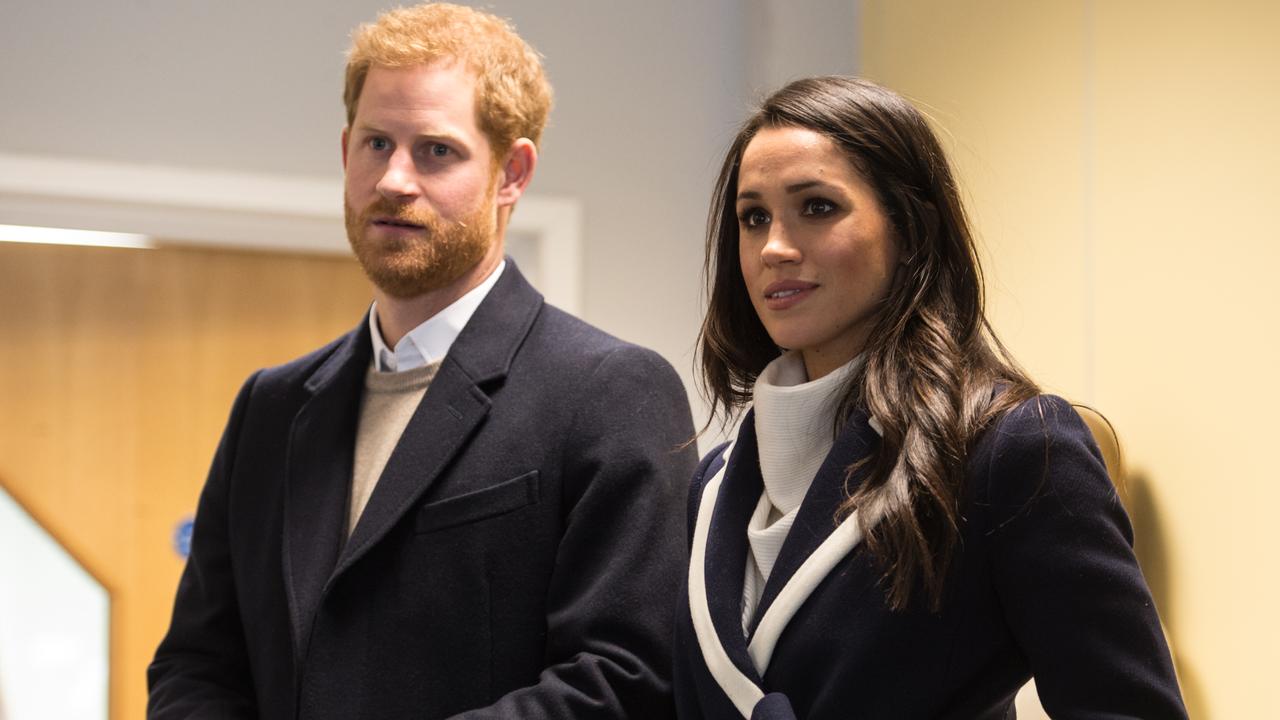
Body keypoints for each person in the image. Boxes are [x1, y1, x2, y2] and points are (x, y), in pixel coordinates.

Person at [148, 4, 696, 718]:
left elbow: (627, 680)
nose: (395, 179)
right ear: (346, 152)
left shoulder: (610, 393)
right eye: (377, 143)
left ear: (512, 173)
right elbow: (196, 665)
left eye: (436, 151)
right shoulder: (271, 408)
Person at [673, 76, 1187, 719]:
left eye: (817, 207)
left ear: (911, 230)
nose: (774, 246)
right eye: (754, 218)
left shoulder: (1013, 448)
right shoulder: (715, 484)